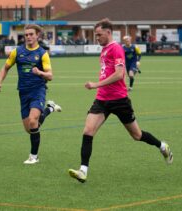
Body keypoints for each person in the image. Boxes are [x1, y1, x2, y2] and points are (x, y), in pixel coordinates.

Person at [68, 19, 173, 183]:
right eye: (96, 35)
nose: (97, 38)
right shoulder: (104, 50)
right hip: (102, 100)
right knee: (88, 131)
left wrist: (95, 84)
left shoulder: (116, 48)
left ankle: (162, 146)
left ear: (108, 33)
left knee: (137, 135)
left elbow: (119, 74)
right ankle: (83, 170)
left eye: (99, 35)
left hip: (119, 100)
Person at [0, 24, 62, 164]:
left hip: (38, 90)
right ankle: (50, 108)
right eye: (26, 35)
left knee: (32, 120)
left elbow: (50, 76)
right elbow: (5, 67)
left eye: (31, 34)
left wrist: (40, 72)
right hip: (23, 92)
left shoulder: (43, 53)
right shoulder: (17, 52)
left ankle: (33, 156)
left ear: (37, 36)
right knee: (30, 129)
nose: (29, 37)